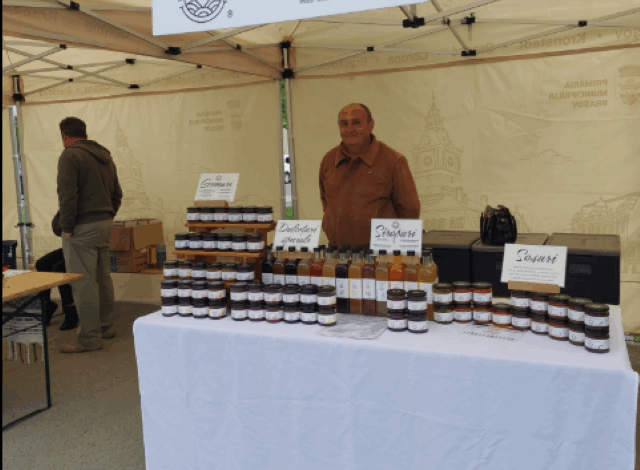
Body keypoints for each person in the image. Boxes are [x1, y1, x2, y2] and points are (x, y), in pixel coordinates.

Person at [57, 117, 123, 353]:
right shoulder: (105, 157)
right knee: (102, 278)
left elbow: (67, 196)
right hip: (104, 222)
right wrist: (108, 215)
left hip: (81, 226)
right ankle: (105, 327)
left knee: (83, 282)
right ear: (85, 134)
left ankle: (88, 338)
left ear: (64, 136)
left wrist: (67, 227)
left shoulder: (70, 155)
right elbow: (117, 194)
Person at [319, 103, 421, 249]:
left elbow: (410, 211)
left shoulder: (393, 161)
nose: (350, 129)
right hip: (337, 252)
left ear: (371, 125)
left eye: (356, 122)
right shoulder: (329, 160)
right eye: (344, 124)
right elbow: (326, 202)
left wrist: (396, 249)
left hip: (381, 254)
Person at [36, 212, 78, 330]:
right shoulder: (66, 207)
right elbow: (57, 229)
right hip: (69, 245)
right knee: (41, 264)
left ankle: (70, 309)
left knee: (59, 268)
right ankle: (47, 304)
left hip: (84, 247)